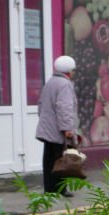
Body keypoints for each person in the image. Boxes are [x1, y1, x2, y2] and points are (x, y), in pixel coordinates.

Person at [36, 55, 79, 196]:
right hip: (58, 129)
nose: (74, 72)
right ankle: (60, 189)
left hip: (48, 127)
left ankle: (49, 189)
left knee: (48, 159)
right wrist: (67, 128)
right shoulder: (65, 84)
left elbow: (41, 105)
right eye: (73, 70)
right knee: (61, 160)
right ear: (68, 70)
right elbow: (64, 107)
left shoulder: (50, 82)